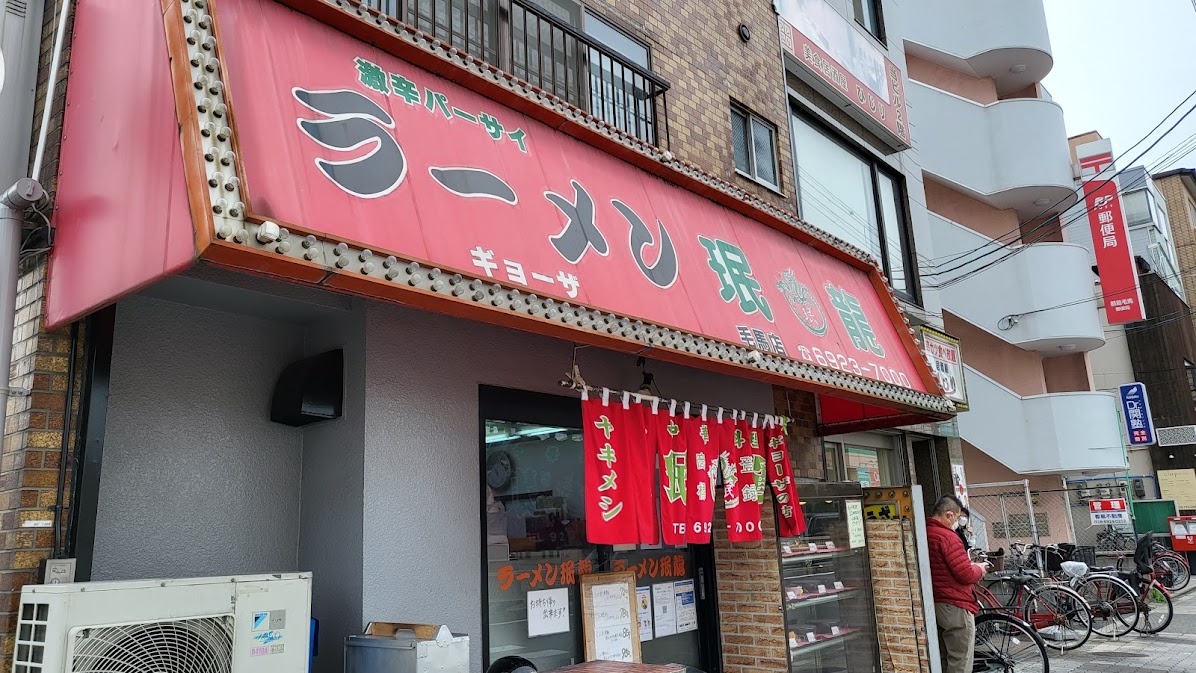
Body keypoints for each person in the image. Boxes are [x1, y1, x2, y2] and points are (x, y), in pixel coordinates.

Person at [927, 495, 988, 673]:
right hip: (955, 603)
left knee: (944, 657)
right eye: (957, 516)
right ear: (948, 515)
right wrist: (980, 569)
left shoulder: (924, 532)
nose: (958, 522)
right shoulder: (948, 537)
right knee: (961, 659)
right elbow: (965, 574)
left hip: (936, 602)